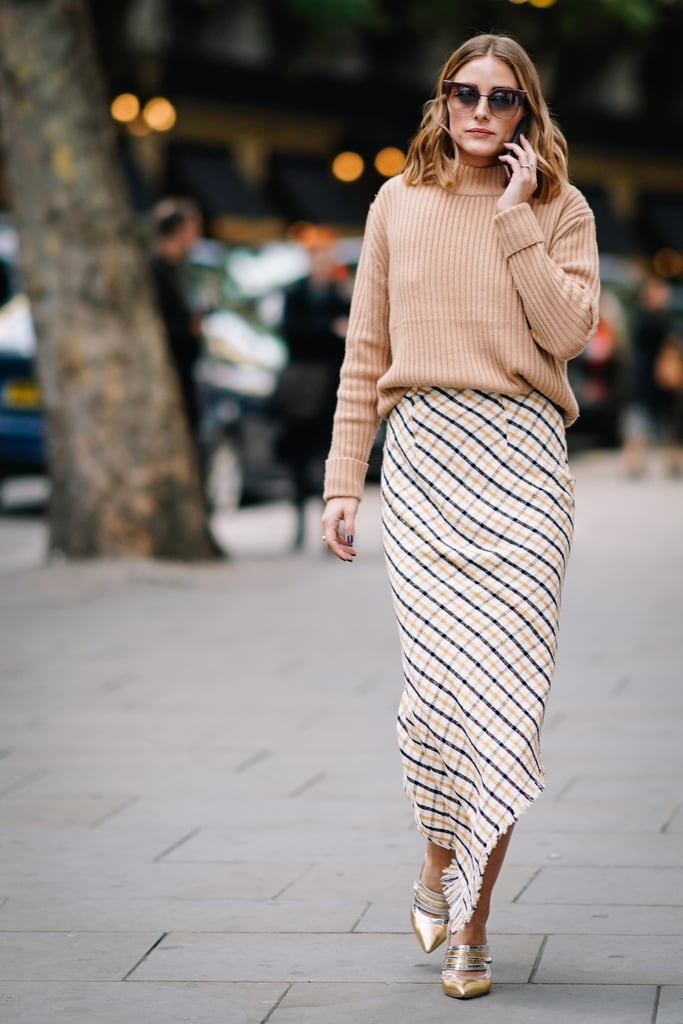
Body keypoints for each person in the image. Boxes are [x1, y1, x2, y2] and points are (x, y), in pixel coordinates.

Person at [321, 33, 600, 1000]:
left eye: (502, 98)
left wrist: (518, 218)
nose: (480, 111)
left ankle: (473, 926)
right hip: (429, 461)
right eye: (462, 92)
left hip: (524, 464)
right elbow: (366, 351)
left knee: (506, 709)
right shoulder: (397, 203)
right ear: (440, 101)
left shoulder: (561, 210)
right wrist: (342, 481)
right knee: (438, 698)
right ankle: (439, 858)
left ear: (528, 112)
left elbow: (568, 334)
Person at [275, 228, 349, 549]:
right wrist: (329, 330)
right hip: (301, 387)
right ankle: (299, 524)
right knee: (300, 458)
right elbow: (291, 332)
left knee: (325, 457)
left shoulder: (339, 294)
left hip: (330, 388)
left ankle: (326, 525)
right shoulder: (295, 293)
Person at [148, 198, 203, 436]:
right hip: (165, 370)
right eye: (193, 230)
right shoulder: (155, 270)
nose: (197, 237)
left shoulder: (181, 269)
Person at [622, 275, 683, 478]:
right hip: (647, 380)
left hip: (658, 382)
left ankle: (671, 461)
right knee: (641, 422)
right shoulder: (647, 319)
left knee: (665, 423)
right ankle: (634, 463)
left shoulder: (658, 318)